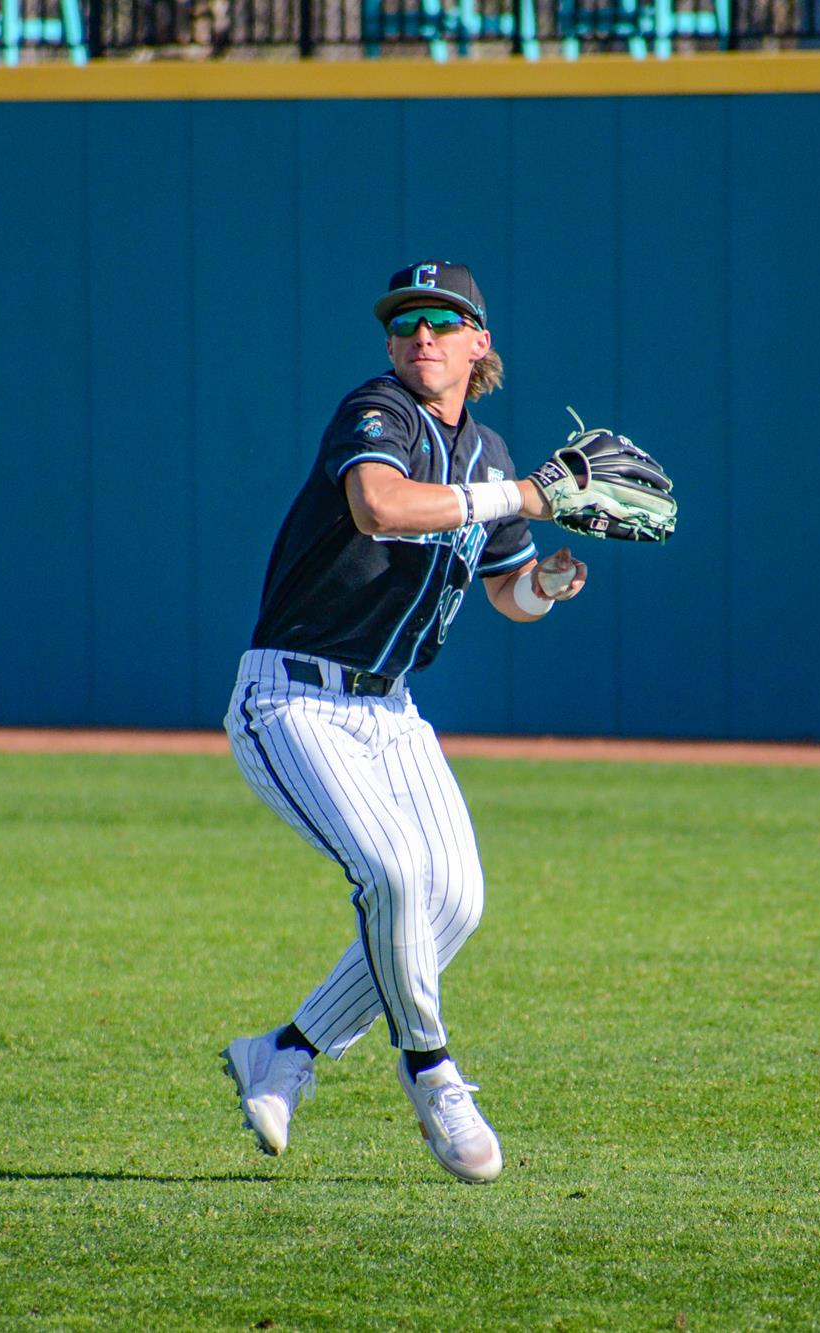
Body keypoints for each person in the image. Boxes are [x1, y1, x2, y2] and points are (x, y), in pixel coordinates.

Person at [221, 261, 589, 1185]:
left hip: (390, 708)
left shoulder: (489, 453)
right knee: (392, 871)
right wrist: (522, 497)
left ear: (479, 343)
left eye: (443, 320)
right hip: (292, 695)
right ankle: (432, 1068)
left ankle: (287, 1051)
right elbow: (379, 505)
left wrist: (543, 585)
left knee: (455, 902)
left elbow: (506, 590)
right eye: (406, 322)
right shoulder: (377, 410)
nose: (422, 334)